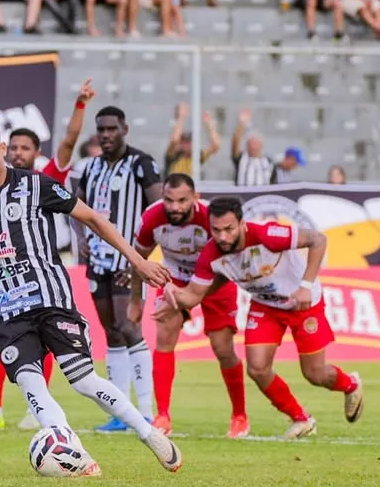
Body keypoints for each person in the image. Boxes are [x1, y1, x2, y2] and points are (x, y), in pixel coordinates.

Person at [0, 117, 180, 476]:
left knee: (83, 380)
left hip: (50, 299)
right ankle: (74, 455)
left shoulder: (35, 185)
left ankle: (148, 433)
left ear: (1, 150)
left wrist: (138, 260)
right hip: (5, 312)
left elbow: (93, 218)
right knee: (31, 383)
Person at [158, 196, 364, 439]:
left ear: (242, 224)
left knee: (314, 374)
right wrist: (171, 294)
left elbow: (318, 240)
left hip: (303, 303)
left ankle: (350, 384)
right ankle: (301, 419)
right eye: (216, 230)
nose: (222, 237)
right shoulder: (210, 254)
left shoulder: (268, 235)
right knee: (257, 368)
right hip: (265, 306)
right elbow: (194, 294)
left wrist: (306, 285)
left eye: (229, 229)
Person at [0, 80, 93, 430]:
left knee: (45, 341)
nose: (20, 152)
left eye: (26, 148)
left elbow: (68, 142)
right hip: (3, 275)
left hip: (42, 273)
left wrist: (80, 105)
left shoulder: (44, 180)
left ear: (36, 153)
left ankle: (35, 409)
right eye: (16, 147)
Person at [129, 174, 247, 438]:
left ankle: (240, 415)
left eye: (182, 200)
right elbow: (139, 260)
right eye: (169, 200)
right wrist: (136, 299)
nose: (175, 207)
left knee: (223, 349)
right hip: (175, 279)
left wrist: (193, 297)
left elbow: (229, 266)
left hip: (216, 280)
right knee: (164, 335)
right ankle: (163, 416)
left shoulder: (210, 219)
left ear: (195, 198)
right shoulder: (152, 218)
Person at [75, 104, 162, 432]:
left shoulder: (141, 164)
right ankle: (121, 414)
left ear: (124, 129)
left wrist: (141, 258)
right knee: (111, 332)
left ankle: (146, 411)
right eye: (101, 129)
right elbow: (77, 207)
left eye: (112, 129)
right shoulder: (91, 166)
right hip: (98, 260)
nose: (106, 134)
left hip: (128, 259)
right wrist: (81, 238)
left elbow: (156, 212)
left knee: (129, 329)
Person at [164, 103, 221, 175]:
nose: (188, 145)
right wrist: (181, 117)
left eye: (189, 142)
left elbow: (216, 145)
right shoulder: (173, 155)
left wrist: (209, 124)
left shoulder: (196, 156)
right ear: (180, 143)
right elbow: (174, 140)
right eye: (185, 142)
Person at [230, 109, 273, 186]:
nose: (253, 147)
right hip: (243, 196)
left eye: (256, 144)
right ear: (246, 146)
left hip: (262, 196)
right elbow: (235, 142)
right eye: (250, 144)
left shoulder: (268, 162)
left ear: (261, 146)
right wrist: (242, 123)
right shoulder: (241, 158)